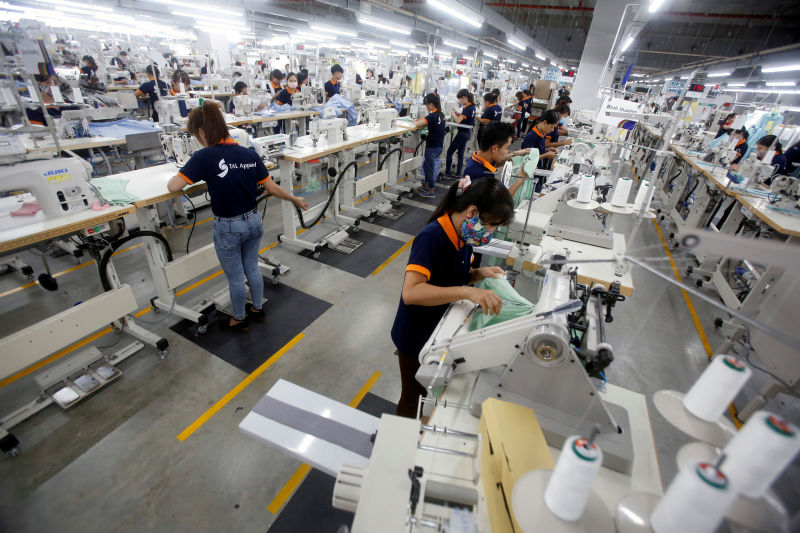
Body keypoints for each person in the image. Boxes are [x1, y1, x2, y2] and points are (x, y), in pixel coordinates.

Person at [166, 103, 308, 331]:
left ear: (202, 132)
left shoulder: (204, 157)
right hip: (253, 222)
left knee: (235, 277)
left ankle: (239, 319)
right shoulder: (249, 154)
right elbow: (272, 188)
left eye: (195, 136)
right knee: (252, 267)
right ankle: (258, 309)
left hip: (229, 227)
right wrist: (295, 199)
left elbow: (174, 187)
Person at [390, 178, 514, 417]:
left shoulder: (463, 236)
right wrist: (468, 291)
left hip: (438, 328)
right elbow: (412, 292)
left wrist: (478, 274)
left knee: (426, 395)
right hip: (416, 333)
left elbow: (450, 275)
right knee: (412, 397)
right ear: (473, 212)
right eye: (491, 225)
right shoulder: (431, 237)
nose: (490, 233)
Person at [411, 93, 446, 198]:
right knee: (426, 166)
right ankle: (426, 186)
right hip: (438, 146)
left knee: (429, 169)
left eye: (426, 105)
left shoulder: (433, 116)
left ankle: (430, 191)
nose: (426, 107)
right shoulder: (440, 114)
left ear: (431, 104)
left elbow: (417, 124)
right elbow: (426, 121)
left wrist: (414, 120)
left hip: (432, 147)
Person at [445, 89, 476, 179]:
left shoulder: (467, 108)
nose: (460, 102)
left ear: (464, 98)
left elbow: (458, 121)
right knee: (461, 154)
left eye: (460, 100)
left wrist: (453, 114)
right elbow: (465, 118)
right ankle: (458, 174)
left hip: (462, 134)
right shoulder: (472, 106)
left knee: (449, 152)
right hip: (467, 133)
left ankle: (447, 173)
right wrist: (459, 114)